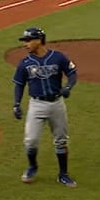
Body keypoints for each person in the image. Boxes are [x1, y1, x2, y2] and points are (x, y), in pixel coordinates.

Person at [12, 27, 78, 188]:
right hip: (37, 105)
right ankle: (32, 167)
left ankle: (63, 174)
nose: (25, 44)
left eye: (28, 40)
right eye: (25, 41)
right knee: (31, 140)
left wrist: (68, 87)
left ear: (39, 40)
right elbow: (19, 85)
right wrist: (16, 104)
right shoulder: (25, 63)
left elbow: (72, 73)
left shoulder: (58, 57)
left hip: (56, 104)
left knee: (61, 141)